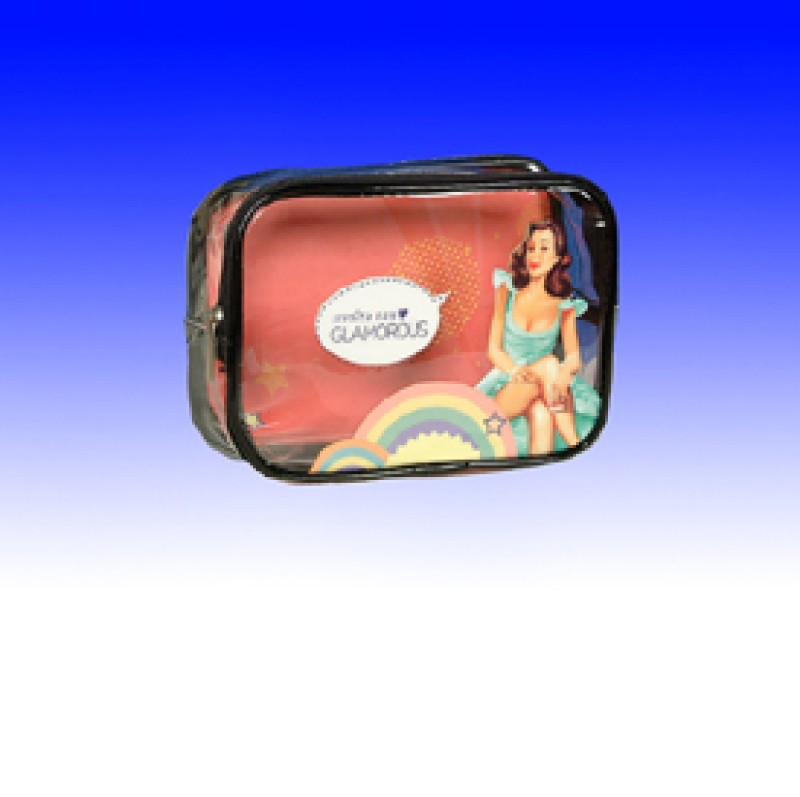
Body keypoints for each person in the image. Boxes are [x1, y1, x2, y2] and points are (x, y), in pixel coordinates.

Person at [476, 219, 600, 455]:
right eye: (531, 248)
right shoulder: (507, 289)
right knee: (550, 362)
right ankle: (575, 444)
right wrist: (515, 371)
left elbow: (573, 357)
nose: (535, 256)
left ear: (559, 259)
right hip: (507, 383)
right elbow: (494, 350)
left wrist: (564, 375)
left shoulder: (564, 305)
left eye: (544, 249)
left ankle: (553, 461)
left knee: (542, 415)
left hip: (547, 385)